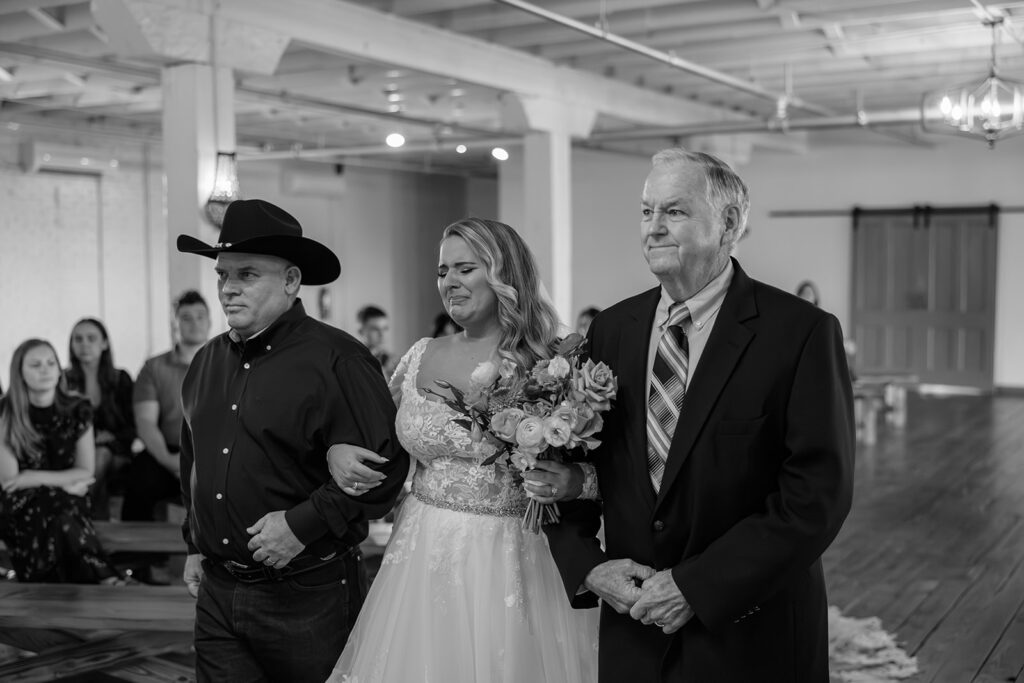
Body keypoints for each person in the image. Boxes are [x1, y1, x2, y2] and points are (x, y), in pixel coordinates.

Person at [542, 148, 855, 682]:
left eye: (675, 211)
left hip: (749, 633)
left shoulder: (800, 333)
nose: (653, 228)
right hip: (634, 628)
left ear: (729, 224)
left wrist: (697, 586)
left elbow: (816, 497)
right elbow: (571, 470)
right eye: (646, 212)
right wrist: (590, 568)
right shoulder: (612, 331)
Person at [326, 218, 599, 683]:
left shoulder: (552, 361)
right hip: (421, 548)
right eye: (442, 271)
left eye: (465, 268)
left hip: (513, 553)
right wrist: (338, 448)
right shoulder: (419, 354)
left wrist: (578, 482)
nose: (448, 282)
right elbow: (381, 441)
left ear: (503, 274)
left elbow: (601, 463)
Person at [176, 199, 409, 682]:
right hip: (218, 593)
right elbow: (192, 460)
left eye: (246, 274)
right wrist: (194, 543)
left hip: (308, 594)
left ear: (291, 281)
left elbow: (386, 471)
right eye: (222, 275)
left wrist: (301, 524)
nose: (228, 289)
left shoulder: (338, 359)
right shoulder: (205, 363)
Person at [0, 339, 123, 584]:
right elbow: (10, 481)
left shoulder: (78, 408)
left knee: (62, 515)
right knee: (61, 510)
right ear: (20, 373)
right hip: (21, 507)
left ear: (59, 370)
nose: (45, 369)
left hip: (66, 502)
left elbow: (86, 470)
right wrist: (64, 481)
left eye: (50, 363)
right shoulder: (6, 412)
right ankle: (105, 577)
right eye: (35, 364)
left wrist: (33, 477)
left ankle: (54, 587)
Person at [122, 290, 210, 523]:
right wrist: (171, 461)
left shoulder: (226, 363)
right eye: (186, 318)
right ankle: (134, 557)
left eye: (201, 316)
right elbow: (146, 423)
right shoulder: (154, 367)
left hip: (212, 452)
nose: (195, 323)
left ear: (210, 321)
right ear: (175, 324)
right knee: (140, 481)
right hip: (167, 451)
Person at [64, 317, 136, 520]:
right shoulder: (63, 381)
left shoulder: (120, 379)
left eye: (91, 338)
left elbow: (133, 426)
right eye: (78, 339)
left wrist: (110, 438)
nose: (84, 344)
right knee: (95, 464)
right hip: (74, 451)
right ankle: (94, 525)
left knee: (100, 455)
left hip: (116, 451)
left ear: (104, 343)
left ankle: (76, 513)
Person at [356, 305, 396, 378]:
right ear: (361, 331)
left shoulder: (393, 362)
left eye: (385, 328)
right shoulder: (354, 362)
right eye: (375, 329)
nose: (382, 334)